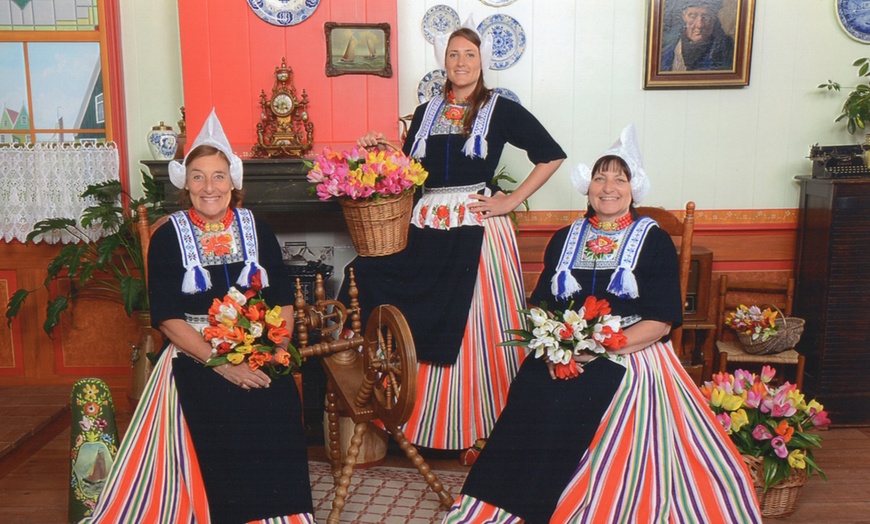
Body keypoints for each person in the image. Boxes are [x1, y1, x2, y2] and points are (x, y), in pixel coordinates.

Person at [442, 124, 763, 523]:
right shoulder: (564, 237)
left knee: (583, 394)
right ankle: (506, 506)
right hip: (565, 347)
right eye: (599, 177)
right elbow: (541, 305)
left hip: (630, 350)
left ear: (634, 188)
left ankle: (566, 502)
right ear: (588, 186)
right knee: (532, 387)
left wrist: (599, 346)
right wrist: (555, 343)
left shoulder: (654, 239)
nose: (608, 187)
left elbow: (661, 323)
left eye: (619, 178)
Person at [344, 19, 566, 453]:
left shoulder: (499, 108)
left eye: (469, 54)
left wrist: (508, 200)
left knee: (474, 323)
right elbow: (412, 172)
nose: (461, 62)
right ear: (443, 61)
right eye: (453, 54)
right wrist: (382, 152)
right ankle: (425, 428)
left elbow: (551, 154)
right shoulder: (427, 111)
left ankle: (483, 427)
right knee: (423, 313)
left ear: (482, 62)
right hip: (427, 222)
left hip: (476, 224)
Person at [82, 110, 315, 524]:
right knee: (222, 405)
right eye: (198, 177)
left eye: (219, 176)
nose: (210, 187)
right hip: (195, 351)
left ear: (234, 181)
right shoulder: (169, 236)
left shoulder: (258, 228)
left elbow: (280, 300)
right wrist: (224, 365)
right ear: (184, 185)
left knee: (277, 400)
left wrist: (277, 347)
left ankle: (279, 515)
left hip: (257, 343)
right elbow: (169, 318)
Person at [661, 0, 735, 71]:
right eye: (693, 16)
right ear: (684, 17)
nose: (699, 25)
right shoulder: (668, 44)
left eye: (706, 17)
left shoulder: (726, 48)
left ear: (714, 19)